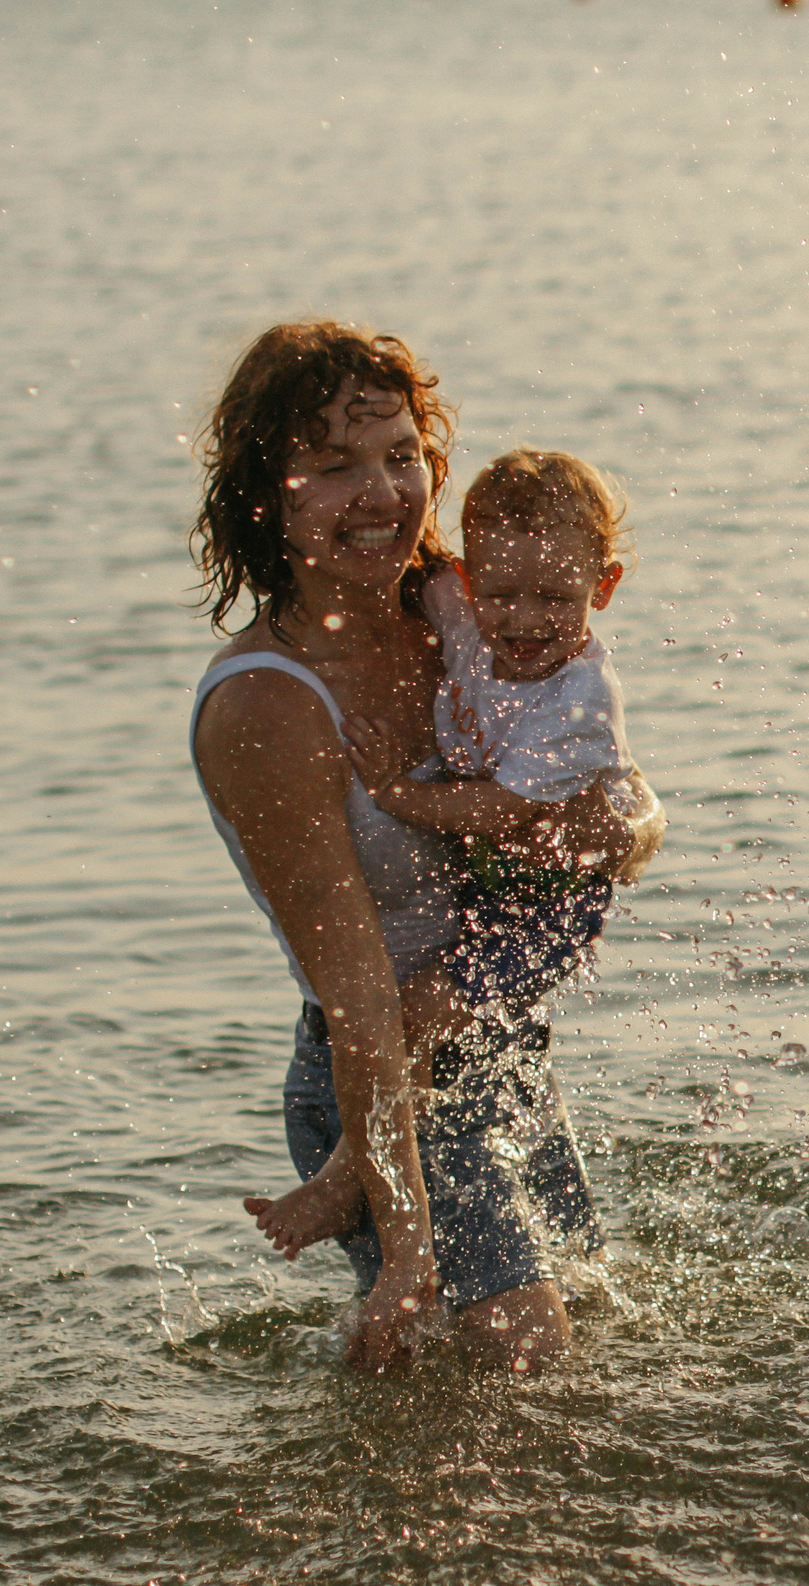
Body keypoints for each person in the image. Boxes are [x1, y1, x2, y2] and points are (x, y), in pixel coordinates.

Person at [188, 322, 664, 1370]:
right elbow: (360, 1004)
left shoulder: (460, 605)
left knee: (570, 1350)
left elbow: (605, 764)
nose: (381, 495)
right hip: (377, 1079)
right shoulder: (267, 706)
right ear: (266, 496)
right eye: (332, 465)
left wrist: (627, 827)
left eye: (402, 457)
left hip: (494, 1041)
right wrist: (403, 1243)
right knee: (521, 1353)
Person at [254, 448, 644, 1258]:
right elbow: (413, 555)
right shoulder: (463, 611)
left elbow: (503, 812)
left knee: (429, 1005)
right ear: (470, 584)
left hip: (550, 901)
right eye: (502, 594)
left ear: (601, 589)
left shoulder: (579, 698)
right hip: (490, 887)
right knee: (430, 1009)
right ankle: (378, 1174)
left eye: (556, 598)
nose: (527, 621)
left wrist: (398, 795)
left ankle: (346, 1179)